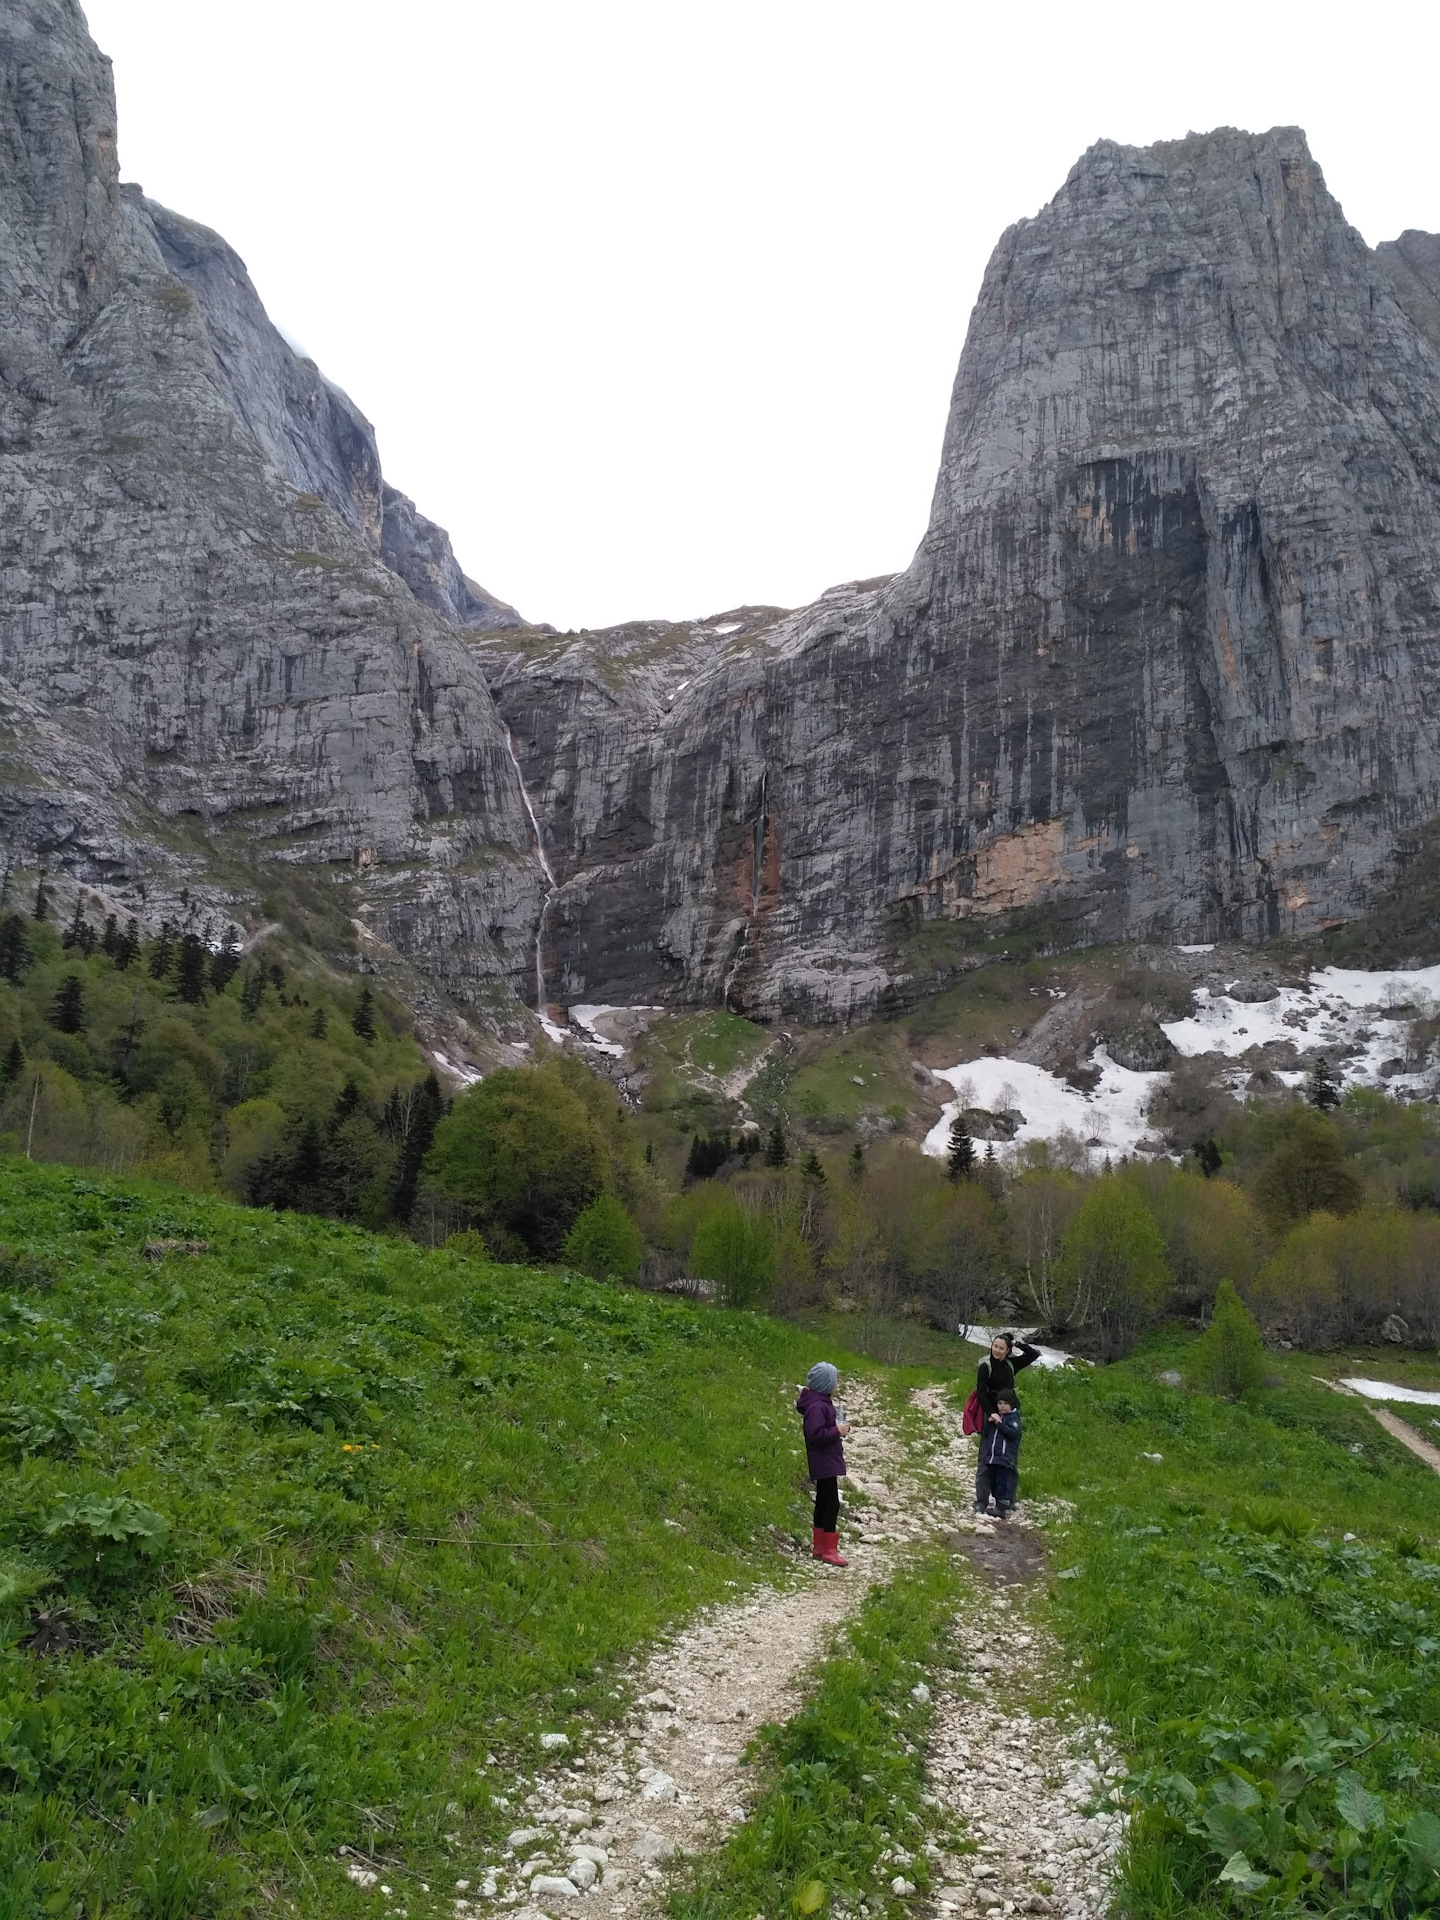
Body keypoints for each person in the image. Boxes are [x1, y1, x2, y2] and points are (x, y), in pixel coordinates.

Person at [974, 1331, 1040, 1517]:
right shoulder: (985, 1366)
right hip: (992, 1416)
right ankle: (981, 1501)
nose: (997, 1350)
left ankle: (1006, 1500)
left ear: (1007, 1350)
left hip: (1011, 1416)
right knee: (987, 1458)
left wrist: (1020, 1344)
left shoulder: (1012, 1364)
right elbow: (981, 1393)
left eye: (1001, 1348)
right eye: (995, 1346)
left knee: (1010, 1459)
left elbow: (1033, 1355)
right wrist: (992, 1413)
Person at [795, 1361, 851, 1566]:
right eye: (835, 1381)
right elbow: (815, 1434)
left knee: (822, 1501)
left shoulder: (820, 1403)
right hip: (824, 1459)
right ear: (826, 1384)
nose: (836, 1385)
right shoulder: (818, 1406)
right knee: (831, 1503)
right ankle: (829, 1550)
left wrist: (838, 1428)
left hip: (825, 1459)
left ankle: (819, 1547)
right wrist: (837, 1431)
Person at [981, 1394, 1022, 1518]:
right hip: (994, 1456)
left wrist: (999, 1423)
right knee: (993, 1481)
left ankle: (1001, 1507)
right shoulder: (997, 1417)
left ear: (1011, 1404)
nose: (1002, 1406)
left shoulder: (1013, 1418)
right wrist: (990, 1423)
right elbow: (987, 1434)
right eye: (1000, 1403)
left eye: (1005, 1403)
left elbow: (1013, 1434)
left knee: (1002, 1482)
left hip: (1004, 1457)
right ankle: (997, 1504)